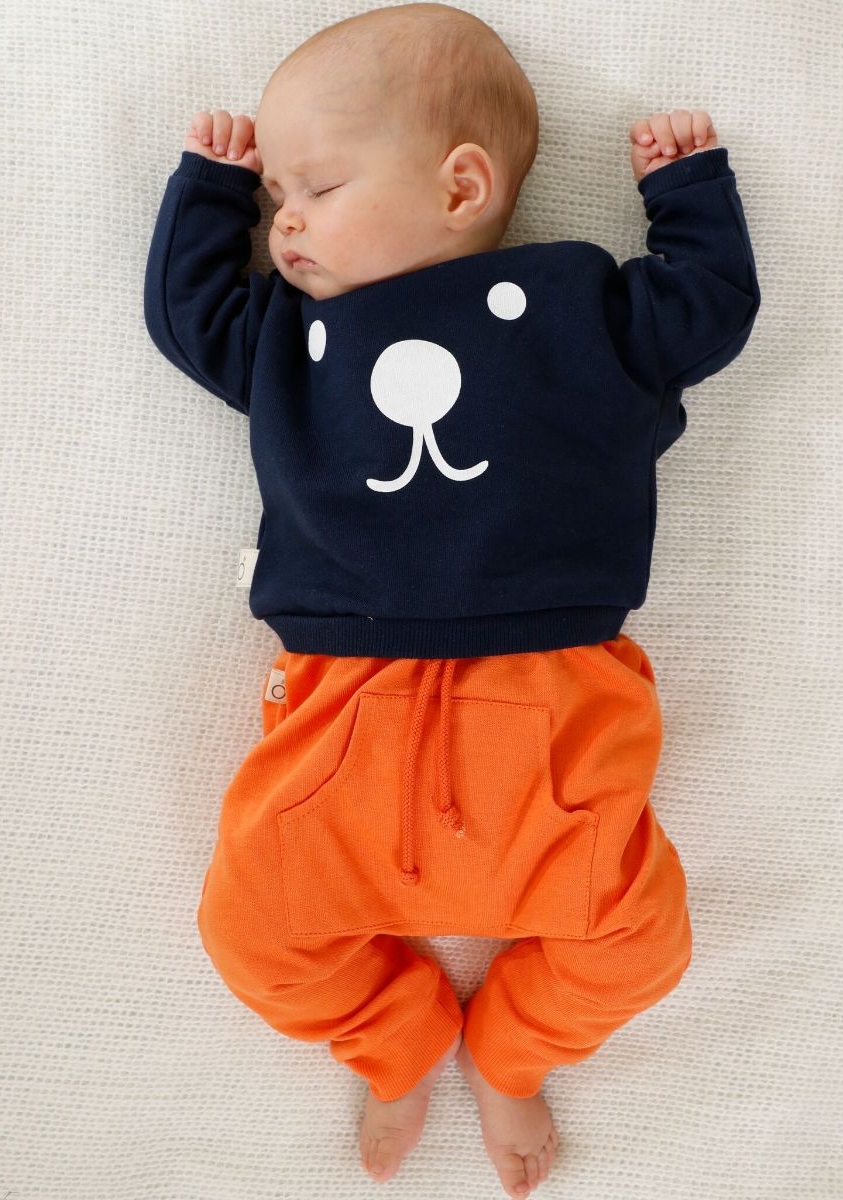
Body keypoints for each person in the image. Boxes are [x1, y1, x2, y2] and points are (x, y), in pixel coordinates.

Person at [143, 4, 760, 1195]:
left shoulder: (578, 311)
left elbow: (703, 312)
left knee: (642, 942)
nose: (287, 221)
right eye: (276, 201)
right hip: (342, 711)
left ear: (463, 184)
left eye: (316, 187)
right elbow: (193, 320)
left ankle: (517, 1045)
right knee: (248, 930)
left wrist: (689, 195)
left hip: (553, 706)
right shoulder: (293, 339)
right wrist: (211, 195)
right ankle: (400, 1034)